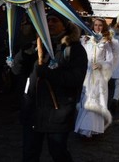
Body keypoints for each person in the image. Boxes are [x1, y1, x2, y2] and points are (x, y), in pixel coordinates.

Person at [21, 11, 88, 162]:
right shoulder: (37, 45)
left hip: (58, 111)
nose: (50, 23)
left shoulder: (75, 49)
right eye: (47, 20)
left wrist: (49, 73)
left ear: (65, 25)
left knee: (58, 153)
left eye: (54, 20)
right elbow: (17, 72)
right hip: (33, 111)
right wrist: (21, 55)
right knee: (29, 153)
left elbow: (76, 79)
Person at [75, 18, 119, 138]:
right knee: (86, 98)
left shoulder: (106, 42)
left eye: (100, 25)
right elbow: (81, 56)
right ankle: (84, 127)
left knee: (97, 99)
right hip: (88, 74)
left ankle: (93, 127)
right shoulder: (87, 40)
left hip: (99, 75)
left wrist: (101, 65)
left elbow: (110, 60)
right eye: (95, 25)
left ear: (103, 27)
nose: (97, 27)